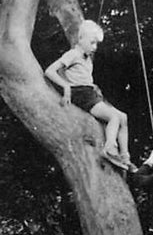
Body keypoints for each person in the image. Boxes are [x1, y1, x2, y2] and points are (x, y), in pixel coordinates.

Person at [44, 20, 135, 172]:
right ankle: (110, 149)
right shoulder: (73, 54)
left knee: (123, 117)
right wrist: (66, 86)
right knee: (114, 117)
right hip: (81, 94)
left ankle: (125, 157)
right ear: (81, 39)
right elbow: (50, 71)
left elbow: (83, 77)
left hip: (89, 92)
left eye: (96, 44)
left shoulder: (87, 58)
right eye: (92, 43)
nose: (95, 47)